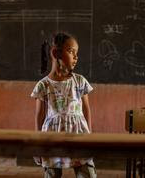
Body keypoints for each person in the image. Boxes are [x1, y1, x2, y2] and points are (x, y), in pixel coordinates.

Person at [31, 32, 97, 178]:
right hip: (52, 138)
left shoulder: (80, 81)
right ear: (56, 53)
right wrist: (37, 145)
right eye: (71, 51)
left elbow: (87, 110)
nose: (76, 57)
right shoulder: (43, 85)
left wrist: (90, 138)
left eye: (76, 53)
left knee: (88, 175)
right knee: (52, 175)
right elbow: (39, 117)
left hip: (79, 136)